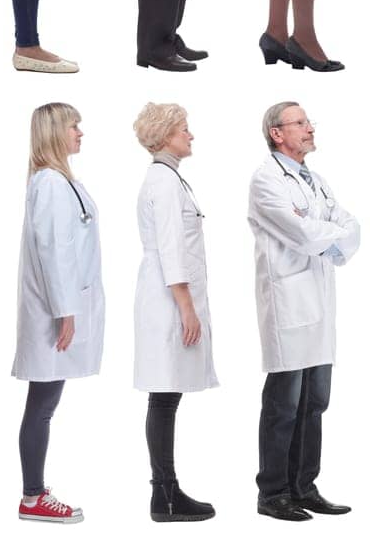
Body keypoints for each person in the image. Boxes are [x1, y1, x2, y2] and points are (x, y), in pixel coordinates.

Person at [248, 103, 359, 521]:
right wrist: (326, 235)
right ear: (277, 133)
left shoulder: (317, 180)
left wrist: (325, 235)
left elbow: (351, 226)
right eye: (301, 123)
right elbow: (301, 230)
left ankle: (304, 487)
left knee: (316, 402)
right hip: (289, 303)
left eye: (309, 122)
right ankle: (273, 493)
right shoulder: (265, 180)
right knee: (284, 405)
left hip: (319, 300)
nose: (310, 128)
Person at [11, 102, 101, 523]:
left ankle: (34, 493)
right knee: (41, 406)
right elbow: (54, 250)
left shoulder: (61, 181)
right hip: (54, 312)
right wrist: (66, 311)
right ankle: (32, 497)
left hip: (63, 305)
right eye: (73, 126)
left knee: (43, 404)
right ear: (53, 133)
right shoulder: (49, 182)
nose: (80, 132)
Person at [130, 103, 216, 521]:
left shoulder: (169, 178)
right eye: (184, 129)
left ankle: (166, 492)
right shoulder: (163, 182)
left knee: (167, 397)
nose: (191, 135)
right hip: (168, 301)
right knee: (163, 399)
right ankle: (164, 495)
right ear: (165, 136)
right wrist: (187, 308)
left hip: (170, 297)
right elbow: (170, 250)